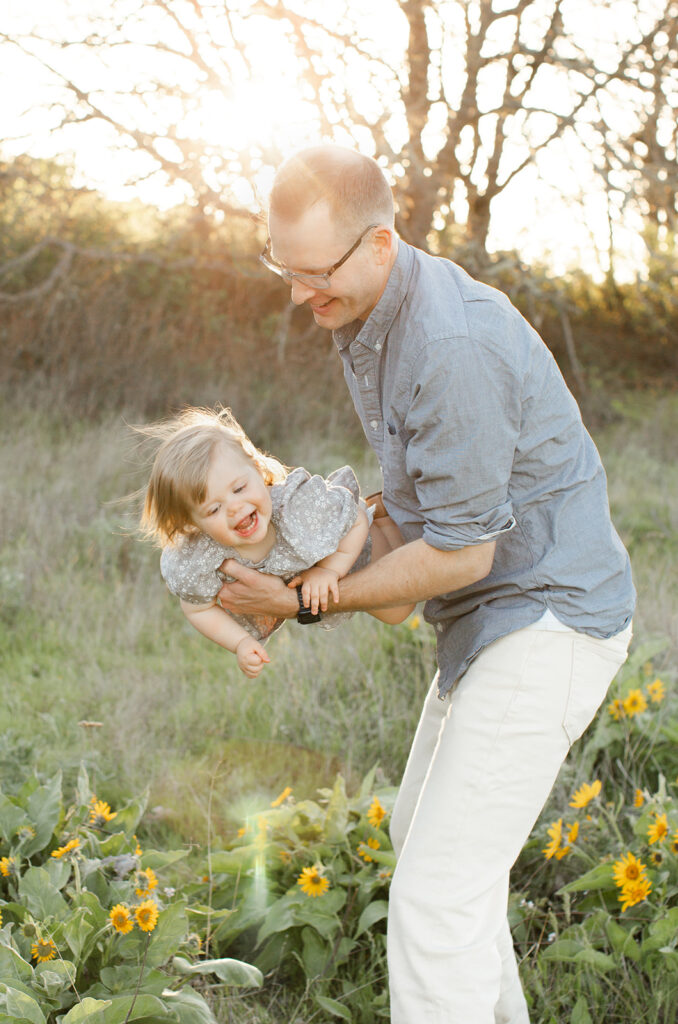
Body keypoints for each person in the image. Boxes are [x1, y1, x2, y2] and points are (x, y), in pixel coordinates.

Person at [215, 146, 636, 1022]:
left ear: (380, 243)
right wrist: (299, 547)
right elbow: (408, 547)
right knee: (433, 856)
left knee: (435, 899)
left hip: (549, 618)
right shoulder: (368, 319)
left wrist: (298, 601)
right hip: (488, 620)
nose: (298, 296)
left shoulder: (447, 343)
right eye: (282, 270)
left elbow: (458, 557)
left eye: (314, 273)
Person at [139, 406, 413, 677]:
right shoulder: (202, 557)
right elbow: (198, 610)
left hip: (355, 543)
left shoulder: (294, 509)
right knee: (394, 611)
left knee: (399, 608)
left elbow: (354, 520)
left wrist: (329, 570)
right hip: (325, 576)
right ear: (192, 525)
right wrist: (241, 642)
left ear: (257, 469)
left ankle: (389, 517)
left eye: (239, 488)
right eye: (213, 509)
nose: (234, 507)